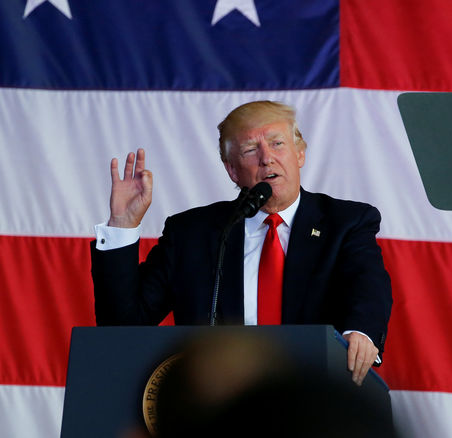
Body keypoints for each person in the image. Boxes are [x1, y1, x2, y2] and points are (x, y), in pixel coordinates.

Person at [91, 100, 392, 384]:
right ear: (232, 169)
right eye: (250, 149)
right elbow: (123, 326)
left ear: (300, 154)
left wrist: (360, 333)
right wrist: (123, 224)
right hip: (220, 408)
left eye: (277, 143)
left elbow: (368, 286)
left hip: (313, 401)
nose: (266, 157)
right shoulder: (192, 233)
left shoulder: (346, 222)